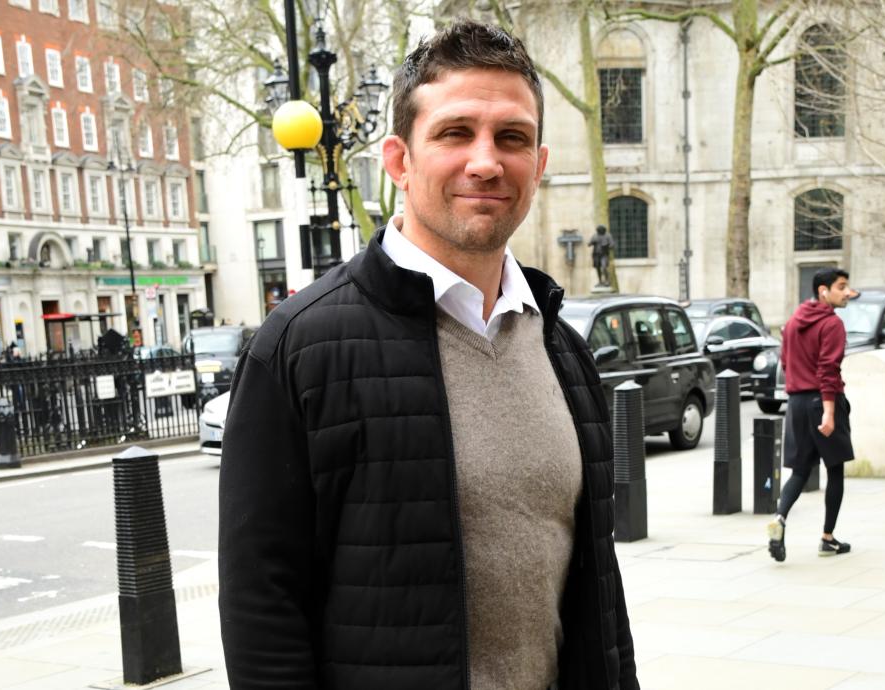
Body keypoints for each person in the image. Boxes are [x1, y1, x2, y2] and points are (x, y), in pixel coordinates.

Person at [218, 21, 638, 690]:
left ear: (539, 163)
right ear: (398, 160)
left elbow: (596, 591)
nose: (486, 161)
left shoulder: (563, 348)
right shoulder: (299, 346)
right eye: (454, 133)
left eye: (512, 138)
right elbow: (261, 604)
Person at [767, 267, 859, 562]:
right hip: (822, 401)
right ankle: (827, 538)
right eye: (841, 287)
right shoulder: (831, 324)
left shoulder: (793, 321)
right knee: (835, 469)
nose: (847, 293)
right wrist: (829, 412)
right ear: (824, 290)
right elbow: (828, 369)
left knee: (800, 471)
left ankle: (780, 518)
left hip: (796, 403)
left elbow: (785, 361)